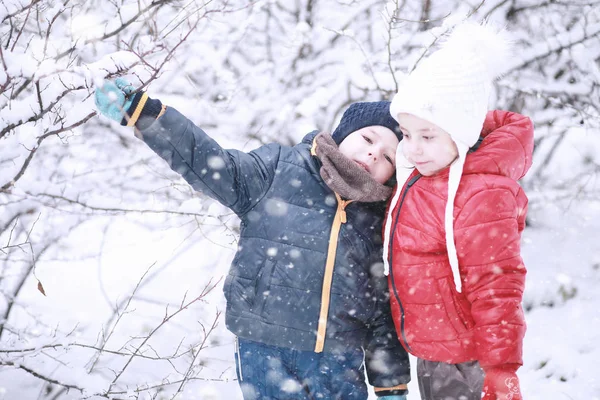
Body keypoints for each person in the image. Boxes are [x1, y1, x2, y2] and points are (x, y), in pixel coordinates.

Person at [93, 80, 411, 399]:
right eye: (368, 138)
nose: (372, 153)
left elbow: (381, 305)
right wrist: (145, 113)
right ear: (344, 132)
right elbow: (207, 159)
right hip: (266, 347)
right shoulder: (278, 169)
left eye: (387, 157)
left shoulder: (383, 217)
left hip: (339, 358)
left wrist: (391, 383)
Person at [382, 22, 534, 400]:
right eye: (406, 134)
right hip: (435, 350)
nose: (413, 148)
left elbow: (497, 285)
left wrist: (500, 369)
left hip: (468, 359)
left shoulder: (480, 193)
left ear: (462, 130)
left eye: (428, 136)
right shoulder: (423, 175)